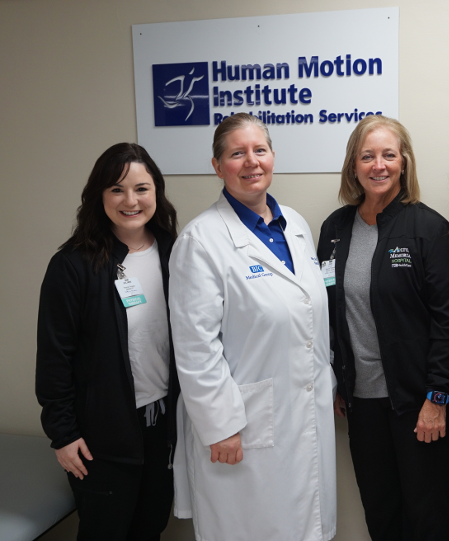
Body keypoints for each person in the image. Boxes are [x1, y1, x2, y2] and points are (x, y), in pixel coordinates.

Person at [168, 113, 337, 541]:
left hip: (304, 410)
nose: (251, 162)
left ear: (273, 156)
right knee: (251, 527)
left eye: (259, 150)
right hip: (241, 428)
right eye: (236, 153)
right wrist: (219, 424)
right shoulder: (201, 241)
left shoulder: (295, 226)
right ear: (216, 165)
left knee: (304, 523)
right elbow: (194, 348)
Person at [317, 115, 449, 541]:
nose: (378, 165)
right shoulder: (334, 229)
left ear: (404, 163)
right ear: (353, 165)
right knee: (381, 515)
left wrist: (437, 397)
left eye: (388, 155)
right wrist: (339, 380)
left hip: (420, 404)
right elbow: (327, 312)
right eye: (367, 156)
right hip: (361, 406)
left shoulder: (428, 229)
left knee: (427, 518)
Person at [36, 143, 179, 541]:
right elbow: (54, 357)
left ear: (157, 192)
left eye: (141, 188)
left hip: (163, 428)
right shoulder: (73, 265)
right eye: (116, 189)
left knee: (150, 527)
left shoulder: (175, 252)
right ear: (98, 196)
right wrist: (62, 434)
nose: (130, 200)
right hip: (100, 439)